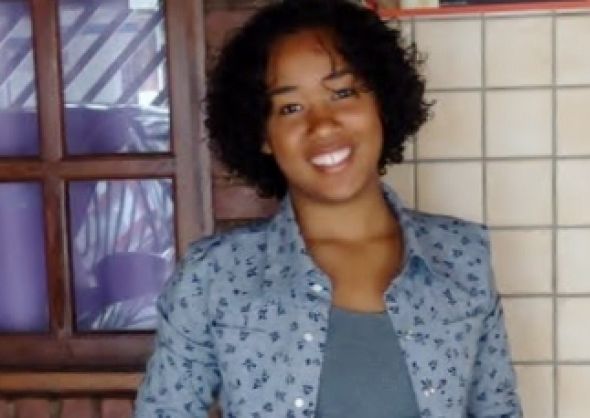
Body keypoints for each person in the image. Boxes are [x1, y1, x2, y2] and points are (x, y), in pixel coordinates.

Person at [134, 0, 522, 417]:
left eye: (342, 93)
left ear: (381, 104)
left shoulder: (461, 258)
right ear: (263, 136)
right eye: (290, 108)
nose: (322, 124)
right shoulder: (213, 277)